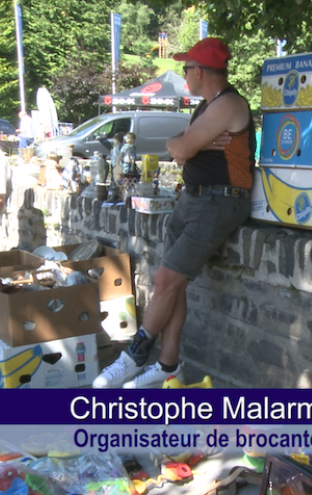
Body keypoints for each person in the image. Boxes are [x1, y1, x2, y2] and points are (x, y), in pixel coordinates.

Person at [93, 37, 256, 389]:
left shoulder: (229, 104)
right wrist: (187, 143)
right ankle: (168, 366)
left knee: (167, 280)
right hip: (194, 200)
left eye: (186, 68)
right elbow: (175, 146)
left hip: (218, 201)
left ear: (199, 72)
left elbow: (181, 149)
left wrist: (187, 145)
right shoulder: (207, 107)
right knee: (174, 285)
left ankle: (134, 354)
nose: (183, 75)